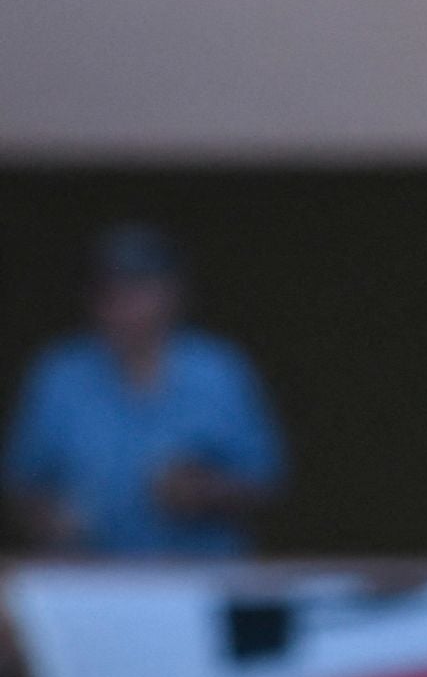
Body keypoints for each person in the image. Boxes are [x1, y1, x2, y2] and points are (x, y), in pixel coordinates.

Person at [5, 225, 284, 556]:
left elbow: (267, 481)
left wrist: (205, 490)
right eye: (111, 293)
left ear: (174, 294)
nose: (125, 308)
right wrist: (48, 519)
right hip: (87, 581)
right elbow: (21, 481)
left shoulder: (218, 370)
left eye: (140, 291)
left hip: (200, 577)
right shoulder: (59, 373)